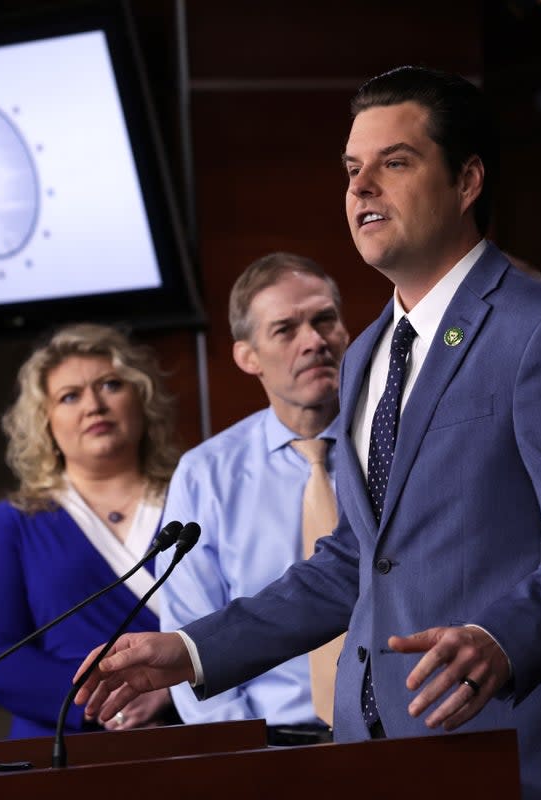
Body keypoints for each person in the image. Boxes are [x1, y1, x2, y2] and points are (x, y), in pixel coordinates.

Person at [74, 66, 541, 799]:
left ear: (467, 181)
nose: (361, 187)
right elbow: (356, 561)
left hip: (515, 742)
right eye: (351, 169)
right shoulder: (371, 348)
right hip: (378, 750)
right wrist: (191, 650)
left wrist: (503, 638)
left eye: (394, 163)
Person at [0, 323, 181, 738]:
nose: (93, 405)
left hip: (197, 729)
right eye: (70, 396)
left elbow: (245, 613)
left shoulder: (199, 496)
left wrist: (175, 688)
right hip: (64, 744)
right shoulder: (12, 523)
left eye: (110, 385)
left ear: (142, 400)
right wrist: (103, 699)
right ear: (45, 423)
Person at [159, 252, 349, 744]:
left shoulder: (397, 442)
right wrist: (247, 755)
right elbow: (190, 629)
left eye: (324, 320)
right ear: (247, 356)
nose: (314, 341)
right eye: (285, 330)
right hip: (269, 746)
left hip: (407, 731)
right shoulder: (206, 474)